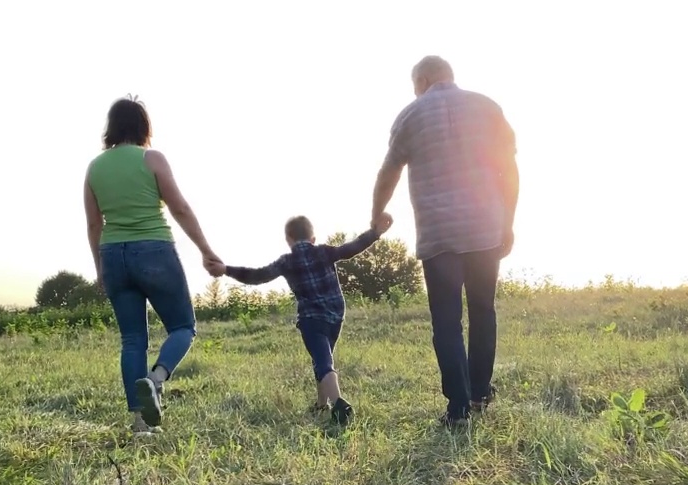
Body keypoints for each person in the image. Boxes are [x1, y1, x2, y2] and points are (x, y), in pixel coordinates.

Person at [369, 55, 520, 428]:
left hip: (439, 236)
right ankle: (480, 392)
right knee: (483, 310)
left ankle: (458, 409)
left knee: (447, 321)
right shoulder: (487, 107)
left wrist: (377, 213)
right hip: (485, 227)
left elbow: (389, 170)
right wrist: (508, 221)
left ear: (420, 81)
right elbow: (510, 169)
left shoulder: (410, 116)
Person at [83, 96, 223, 436]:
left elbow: (93, 224)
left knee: (132, 340)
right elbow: (180, 209)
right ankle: (156, 380)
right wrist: (206, 250)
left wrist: (100, 268)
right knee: (183, 326)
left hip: (113, 255)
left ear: (111, 127)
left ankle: (140, 425)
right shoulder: (152, 159)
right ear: (144, 126)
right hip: (154, 251)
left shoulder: (95, 168)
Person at [208, 213, 394, 425]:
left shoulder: (287, 261)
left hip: (311, 319)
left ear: (288, 239)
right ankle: (321, 403)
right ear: (313, 238)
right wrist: (375, 233)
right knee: (323, 358)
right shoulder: (324, 251)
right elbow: (352, 248)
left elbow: (258, 276)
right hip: (335, 316)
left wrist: (226, 270)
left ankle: (338, 403)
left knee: (323, 361)